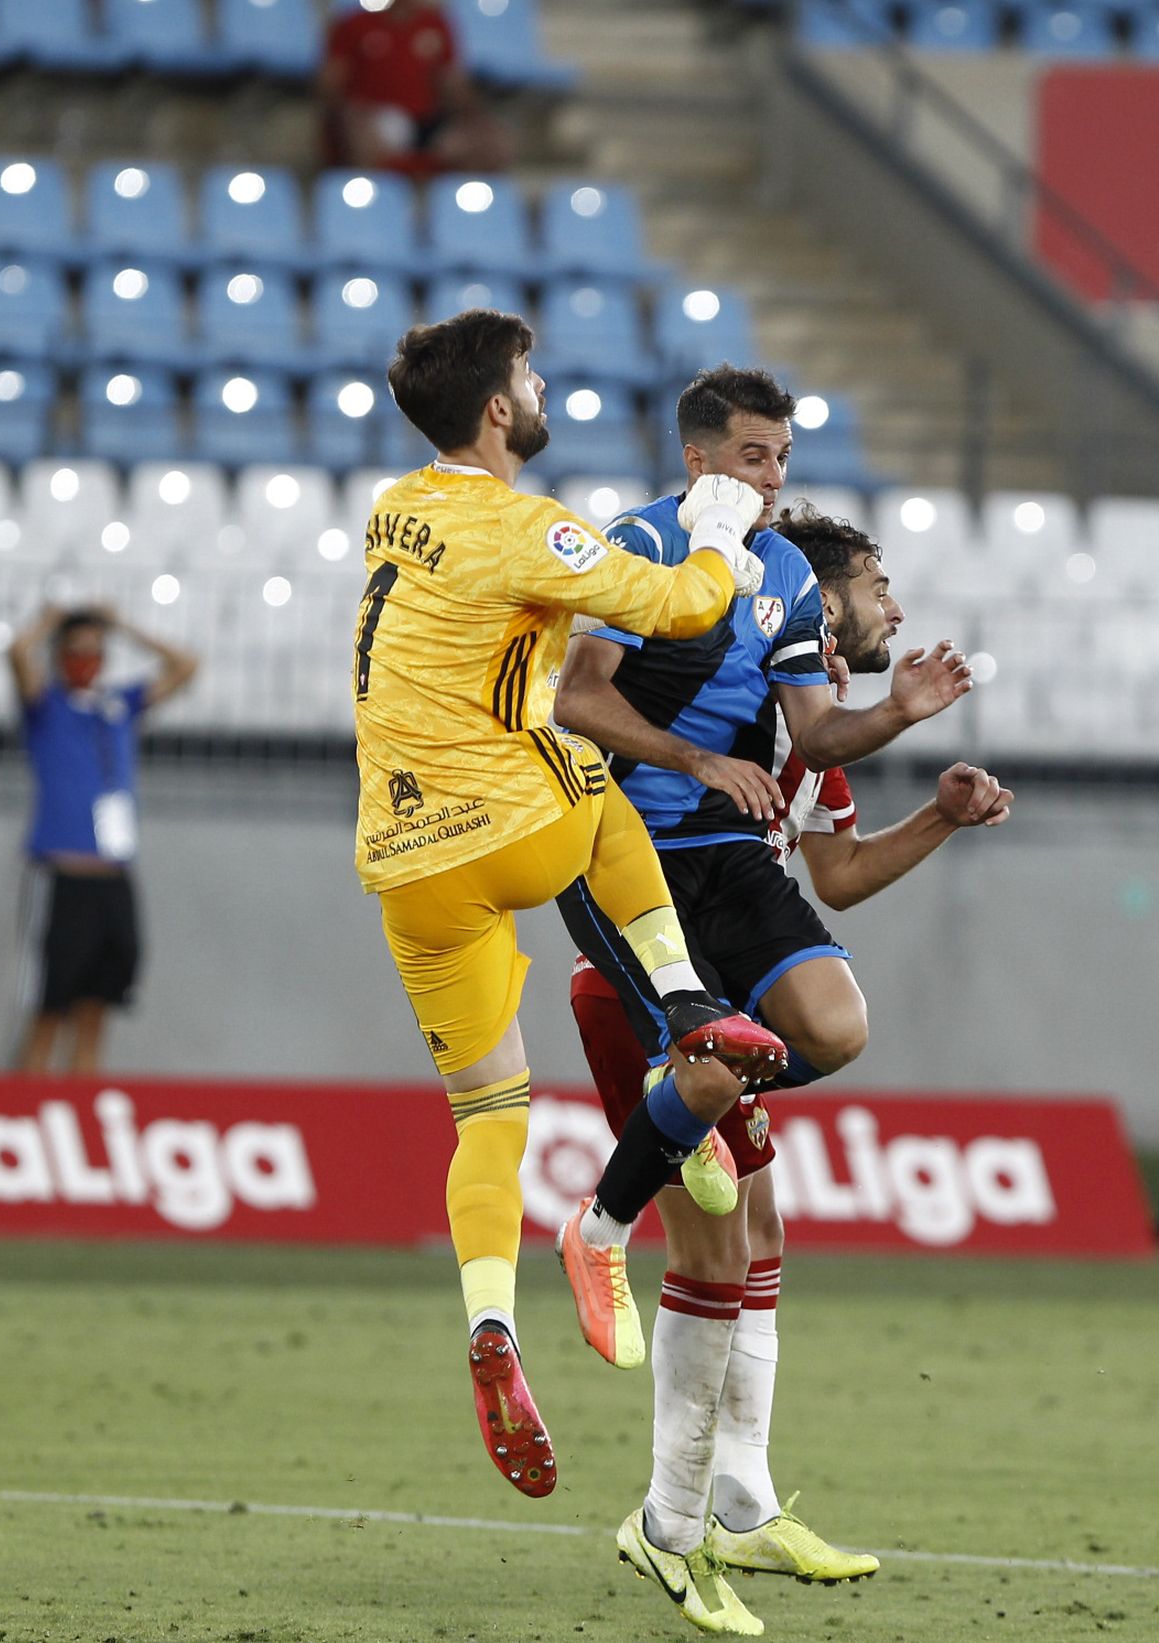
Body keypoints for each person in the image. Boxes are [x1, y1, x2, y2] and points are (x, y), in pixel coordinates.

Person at [551, 369, 976, 1634]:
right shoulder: (637, 545)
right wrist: (695, 756)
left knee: (783, 1167)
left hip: (734, 881)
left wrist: (898, 718)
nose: (770, 473)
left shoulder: (782, 582)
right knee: (716, 1248)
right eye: (751, 452)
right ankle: (672, 1518)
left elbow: (827, 798)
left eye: (782, 454)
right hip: (630, 877)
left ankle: (734, 1497)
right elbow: (575, 692)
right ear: (696, 456)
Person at [355, 309, 784, 1503]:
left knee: (489, 1113)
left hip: (400, 861)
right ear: (498, 408)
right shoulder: (521, 525)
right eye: (529, 380)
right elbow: (681, 608)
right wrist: (720, 532)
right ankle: (692, 1002)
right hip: (503, 828)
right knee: (598, 783)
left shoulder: (396, 505)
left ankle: (489, 1323)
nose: (540, 393)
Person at [8, 604, 197, 1075]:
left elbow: (186, 666)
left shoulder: (117, 706)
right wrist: (51, 621)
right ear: (59, 656)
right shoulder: (47, 707)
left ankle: (81, 1123)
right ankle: (23, 1118)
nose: (86, 660)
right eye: (76, 652)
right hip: (61, 878)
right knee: (48, 1013)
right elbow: (16, 654)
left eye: (95, 651)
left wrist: (126, 625)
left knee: (96, 1011)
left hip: (114, 879)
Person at [319, 0, 509, 176]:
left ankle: (463, 208)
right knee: (364, 136)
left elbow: (452, 84)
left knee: (491, 144)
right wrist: (350, 113)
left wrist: (476, 120)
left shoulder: (435, 25)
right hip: (381, 120)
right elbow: (331, 84)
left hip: (427, 122)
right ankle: (375, 204)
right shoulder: (355, 24)